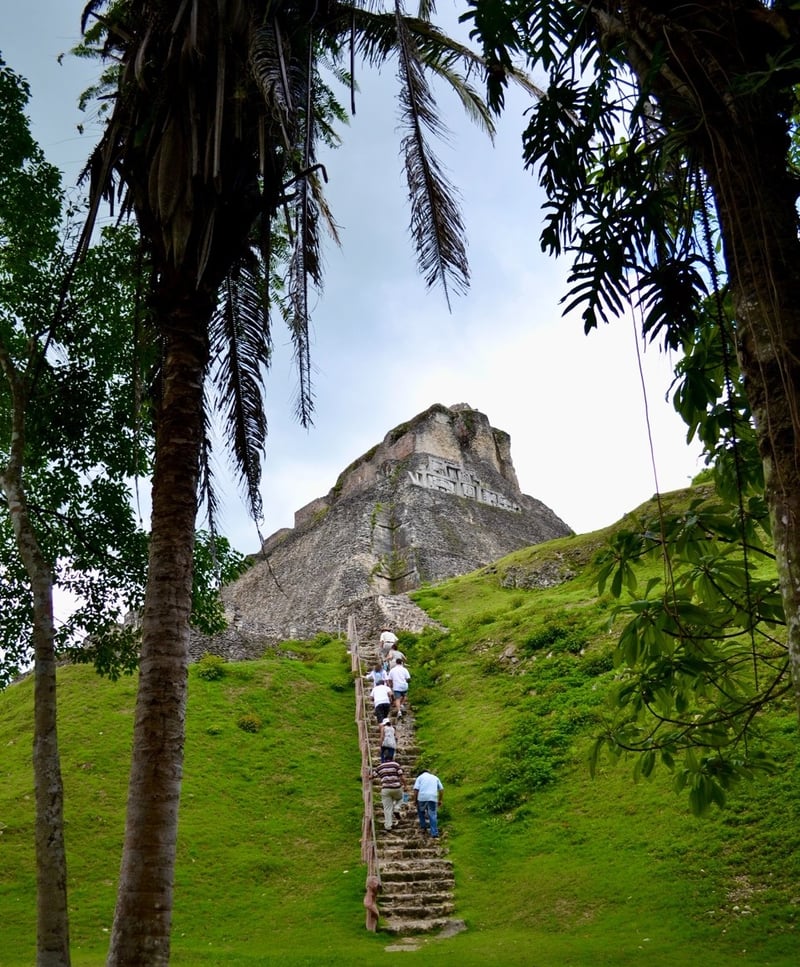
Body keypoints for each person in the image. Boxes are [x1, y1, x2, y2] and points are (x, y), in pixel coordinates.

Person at [372, 752, 408, 831]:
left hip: (386, 789)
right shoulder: (396, 765)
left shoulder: (380, 767)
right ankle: (397, 808)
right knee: (402, 798)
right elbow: (401, 776)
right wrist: (405, 786)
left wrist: (368, 777)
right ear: (392, 758)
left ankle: (388, 826)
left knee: (387, 808)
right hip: (397, 788)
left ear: (384, 759)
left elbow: (372, 776)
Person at [413, 767, 443, 838]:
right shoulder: (435, 777)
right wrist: (440, 800)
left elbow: (416, 790)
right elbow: (441, 789)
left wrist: (415, 800)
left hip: (422, 797)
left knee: (421, 812)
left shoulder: (419, 778)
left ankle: (423, 827)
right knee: (432, 814)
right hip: (433, 797)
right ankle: (434, 833)